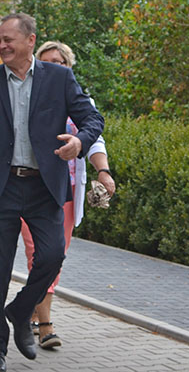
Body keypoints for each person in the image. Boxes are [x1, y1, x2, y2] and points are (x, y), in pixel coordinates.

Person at [0, 12, 104, 372]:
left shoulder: (60, 78)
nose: (2, 45)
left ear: (30, 41)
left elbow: (93, 119)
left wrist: (79, 141)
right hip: (1, 188)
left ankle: (21, 310)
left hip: (44, 186)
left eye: (9, 39)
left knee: (52, 256)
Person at [20, 40, 116, 349]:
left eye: (60, 62)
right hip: (30, 189)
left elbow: (95, 139)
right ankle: (45, 324)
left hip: (66, 193)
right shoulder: (26, 97)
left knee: (54, 255)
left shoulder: (80, 101)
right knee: (37, 252)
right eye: (47, 61)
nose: (54, 67)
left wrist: (103, 172)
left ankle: (33, 311)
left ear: (68, 67)